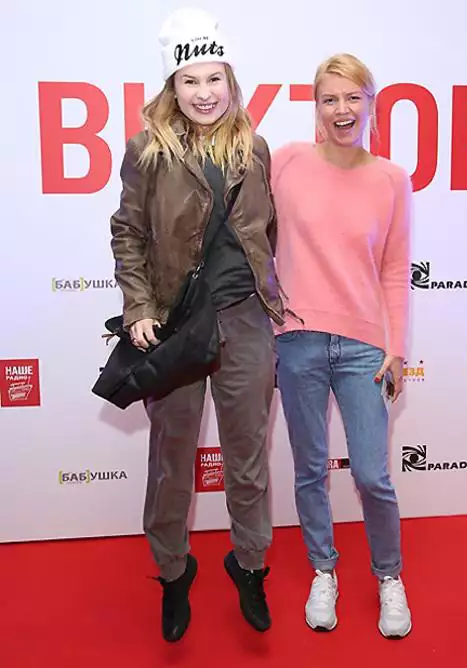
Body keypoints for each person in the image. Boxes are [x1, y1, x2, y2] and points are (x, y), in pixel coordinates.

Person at [110, 8, 283, 642]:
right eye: (190, 80)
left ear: (230, 81)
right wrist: (139, 306)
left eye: (215, 78)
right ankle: (173, 572)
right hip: (177, 325)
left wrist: (266, 298)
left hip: (245, 321)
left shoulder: (254, 148)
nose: (204, 92)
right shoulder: (147, 151)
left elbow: (265, 233)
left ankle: (250, 564)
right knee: (172, 461)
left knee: (248, 458)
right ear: (172, 85)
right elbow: (128, 233)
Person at [271, 53, 413, 638]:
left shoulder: (391, 179)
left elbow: (395, 270)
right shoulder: (285, 162)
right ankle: (323, 570)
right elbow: (251, 237)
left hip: (363, 348)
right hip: (296, 340)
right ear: (316, 107)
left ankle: (389, 576)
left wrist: (396, 346)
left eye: (353, 97)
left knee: (373, 474)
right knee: (309, 469)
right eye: (329, 98)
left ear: (370, 104)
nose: (341, 109)